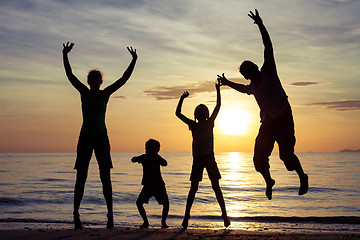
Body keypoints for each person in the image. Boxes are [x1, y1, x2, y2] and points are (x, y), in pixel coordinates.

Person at [217, 9, 308, 200]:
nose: (248, 73)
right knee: (258, 160)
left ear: (256, 67)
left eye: (249, 69)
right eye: (245, 73)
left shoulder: (269, 70)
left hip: (284, 119)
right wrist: (227, 83)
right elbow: (243, 89)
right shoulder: (253, 87)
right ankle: (269, 181)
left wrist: (260, 25)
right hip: (268, 124)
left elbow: (268, 47)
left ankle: (302, 176)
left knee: (287, 159)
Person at [62, 42, 138, 229]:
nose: (95, 81)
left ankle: (110, 215)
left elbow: (123, 79)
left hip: (102, 138)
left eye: (97, 79)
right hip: (85, 137)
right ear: (89, 81)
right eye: (92, 78)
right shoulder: (83, 93)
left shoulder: (105, 94)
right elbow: (70, 75)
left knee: (106, 177)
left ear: (100, 82)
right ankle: (76, 215)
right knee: (81, 176)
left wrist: (134, 60)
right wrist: (65, 55)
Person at [175, 83, 230, 230]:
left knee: (216, 187)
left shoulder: (210, 122)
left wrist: (218, 90)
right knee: (193, 188)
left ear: (206, 114)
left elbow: (218, 106)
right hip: (198, 159)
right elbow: (178, 114)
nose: (201, 114)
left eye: (203, 111)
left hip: (209, 158)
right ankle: (186, 216)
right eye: (199, 112)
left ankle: (224, 214)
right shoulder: (193, 125)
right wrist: (182, 99)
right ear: (196, 115)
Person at [131, 139, 170, 229]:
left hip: (158, 185)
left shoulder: (157, 158)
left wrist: (156, 157)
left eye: (151, 148)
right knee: (139, 203)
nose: (148, 150)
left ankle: (163, 222)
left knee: (166, 204)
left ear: (157, 150)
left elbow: (165, 163)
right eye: (147, 148)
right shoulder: (144, 157)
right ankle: (146, 222)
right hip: (148, 185)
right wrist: (139, 158)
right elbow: (133, 159)